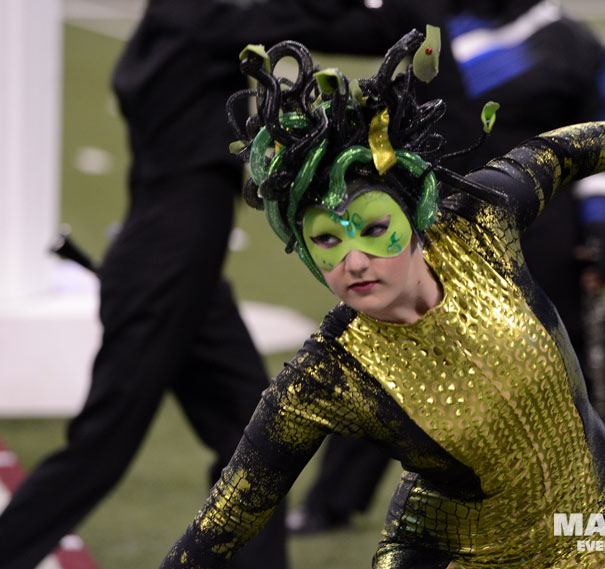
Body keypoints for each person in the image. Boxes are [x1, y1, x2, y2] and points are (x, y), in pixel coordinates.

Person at [157, 27, 605, 568]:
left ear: (417, 215)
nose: (353, 260)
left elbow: (557, 153)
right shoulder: (324, 376)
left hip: (604, 518)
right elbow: (223, 523)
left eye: (374, 229)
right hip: (449, 557)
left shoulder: (478, 220)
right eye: (326, 240)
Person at [0, 2, 441, 568]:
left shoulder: (170, 26)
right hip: (169, 264)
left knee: (251, 436)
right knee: (100, 448)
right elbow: (328, 26)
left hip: (180, 264)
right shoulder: (200, 22)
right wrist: (409, 16)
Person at [288, 0, 605, 534]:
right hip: (440, 215)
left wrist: (598, 227)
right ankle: (333, 501)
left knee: (582, 350)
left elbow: (597, 143)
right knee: (396, 349)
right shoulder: (428, 17)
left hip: (543, 223)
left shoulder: (573, 41)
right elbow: (339, 23)